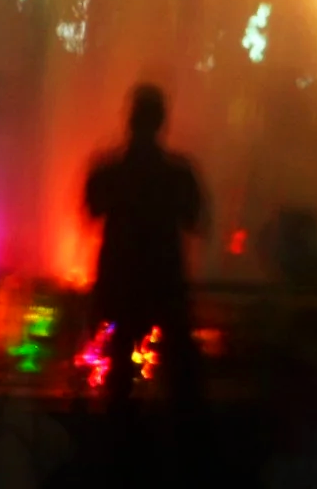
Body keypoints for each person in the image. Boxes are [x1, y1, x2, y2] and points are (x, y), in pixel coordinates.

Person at [83, 84, 206, 473]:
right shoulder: (177, 174)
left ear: (131, 119)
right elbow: (194, 219)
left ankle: (116, 456)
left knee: (119, 375)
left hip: (122, 284)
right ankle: (181, 459)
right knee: (179, 378)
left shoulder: (110, 170)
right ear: (161, 122)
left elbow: (91, 208)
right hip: (164, 284)